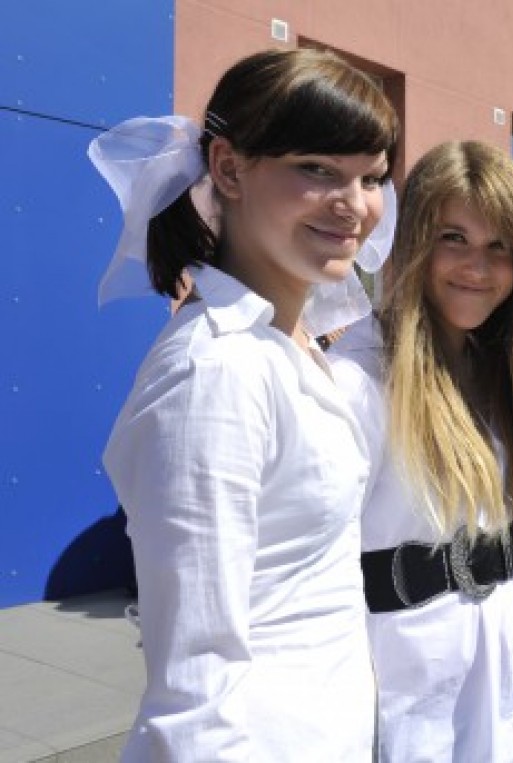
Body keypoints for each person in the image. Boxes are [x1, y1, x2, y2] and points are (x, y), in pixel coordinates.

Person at [97, 48, 399, 761]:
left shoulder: (289, 345)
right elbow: (193, 691)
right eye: (317, 169)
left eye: (372, 177)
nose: (354, 205)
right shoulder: (215, 370)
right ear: (229, 169)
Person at [328, 140, 513, 762]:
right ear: (415, 239)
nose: (478, 266)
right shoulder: (357, 379)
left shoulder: (506, 374)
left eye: (500, 246)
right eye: (454, 238)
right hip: (422, 704)